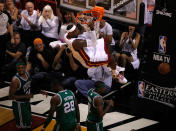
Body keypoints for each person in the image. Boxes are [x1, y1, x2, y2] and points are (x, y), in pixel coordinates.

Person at [8, 60, 33, 131]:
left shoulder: (27, 73)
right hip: (19, 105)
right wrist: (26, 96)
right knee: (24, 127)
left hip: (26, 103)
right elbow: (10, 97)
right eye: (19, 68)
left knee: (28, 124)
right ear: (16, 69)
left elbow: (30, 85)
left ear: (25, 68)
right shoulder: (15, 80)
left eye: (22, 67)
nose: (21, 69)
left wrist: (40, 91)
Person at [0, 1, 14, 71]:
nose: (0, 8)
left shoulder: (6, 14)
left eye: (1, 6)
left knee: (2, 52)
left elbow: (10, 25)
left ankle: (2, 68)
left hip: (3, 37)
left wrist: (12, 37)